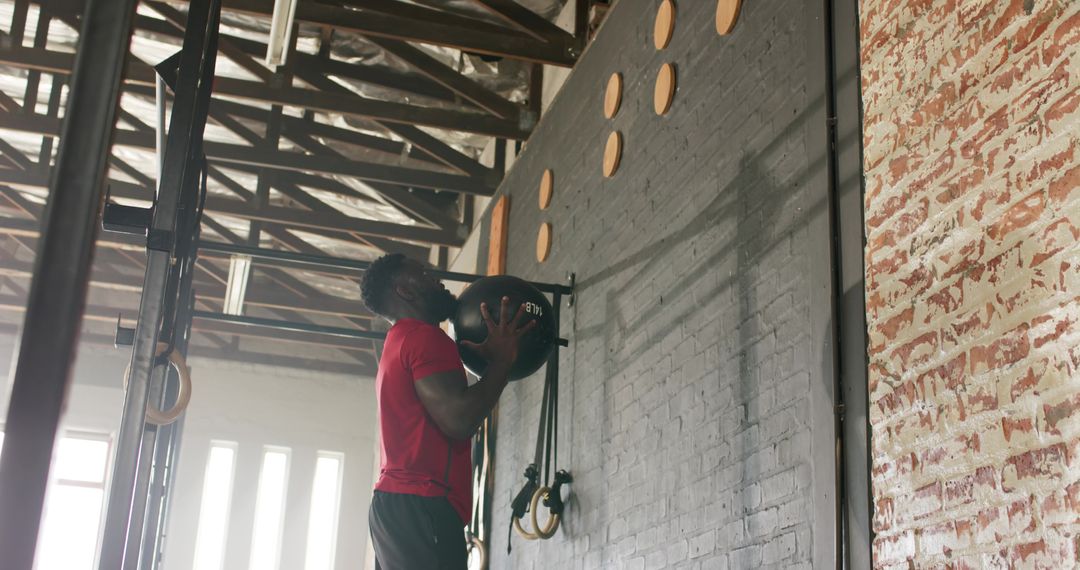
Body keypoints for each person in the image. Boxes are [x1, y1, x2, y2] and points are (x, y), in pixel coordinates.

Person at [360, 254, 535, 570]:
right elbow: (459, 419)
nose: (435, 280)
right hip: (420, 504)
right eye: (423, 273)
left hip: (394, 508)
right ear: (404, 290)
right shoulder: (425, 337)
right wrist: (502, 362)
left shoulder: (399, 341)